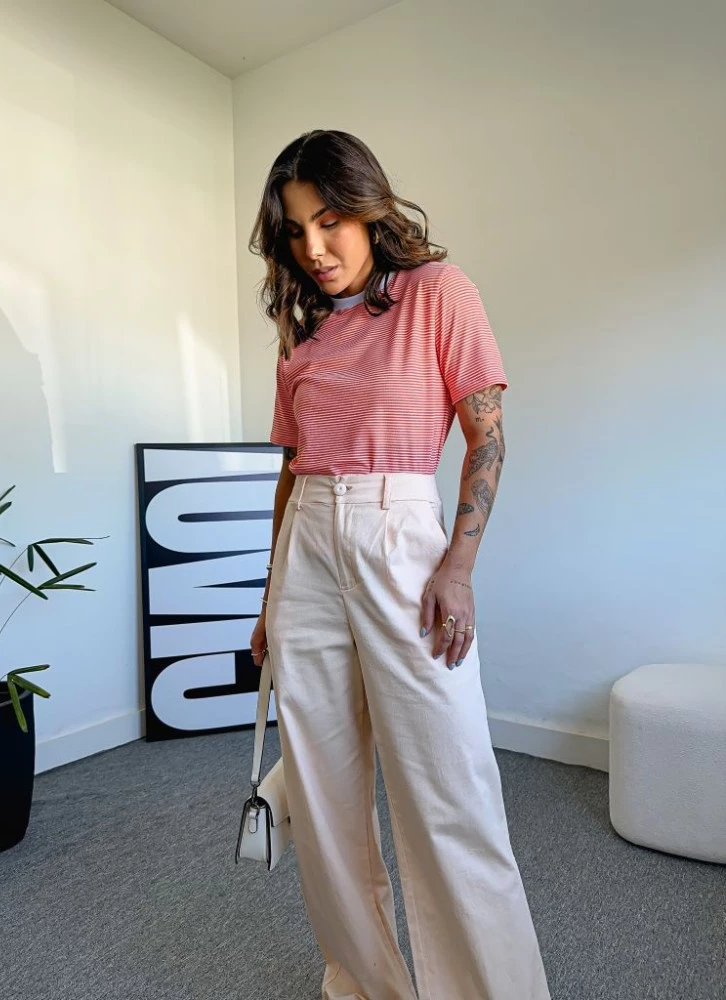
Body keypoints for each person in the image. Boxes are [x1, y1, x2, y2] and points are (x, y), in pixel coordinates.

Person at [248, 130, 551, 1000]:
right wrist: (271, 595)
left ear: (368, 207)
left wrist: (458, 567)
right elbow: (292, 469)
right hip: (307, 544)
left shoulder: (438, 293)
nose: (314, 248)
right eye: (295, 231)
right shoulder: (300, 329)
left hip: (400, 535)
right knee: (323, 797)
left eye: (330, 221)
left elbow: (487, 438)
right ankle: (365, 985)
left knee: (450, 790)